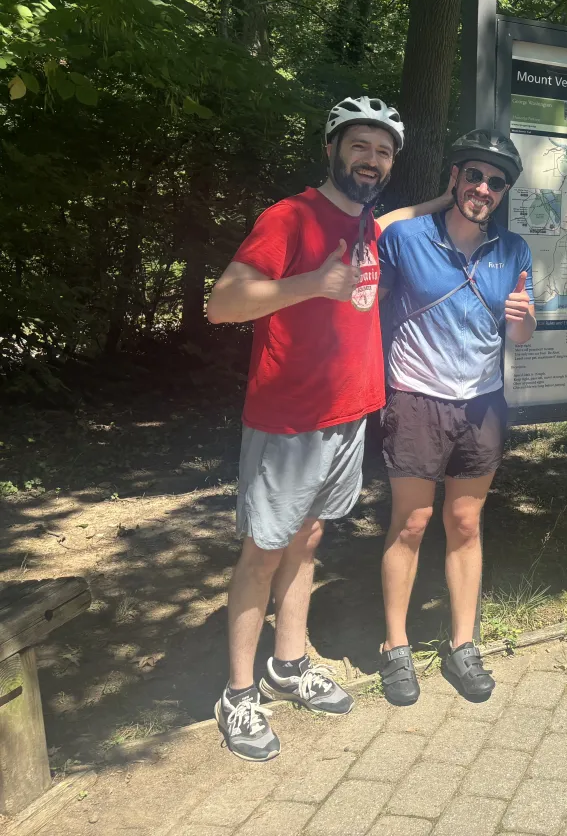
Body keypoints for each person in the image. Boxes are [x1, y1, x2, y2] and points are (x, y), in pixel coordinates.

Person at [206, 96, 404, 760]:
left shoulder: (369, 223)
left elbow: (399, 217)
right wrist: (313, 285)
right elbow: (224, 302)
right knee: (263, 551)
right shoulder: (289, 217)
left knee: (309, 540)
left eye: (382, 150)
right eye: (359, 145)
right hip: (288, 422)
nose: (370, 159)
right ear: (331, 148)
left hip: (348, 417)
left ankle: (287, 665)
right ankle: (237, 695)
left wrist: (443, 201)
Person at [375, 130, 536, 705]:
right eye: (474, 176)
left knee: (465, 525)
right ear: (454, 178)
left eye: (496, 182)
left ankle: (462, 645)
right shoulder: (406, 237)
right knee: (412, 524)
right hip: (417, 398)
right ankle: (395, 647)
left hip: (482, 402)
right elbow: (368, 250)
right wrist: (436, 204)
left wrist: (523, 319)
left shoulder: (513, 251)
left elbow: (519, 332)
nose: (483, 189)